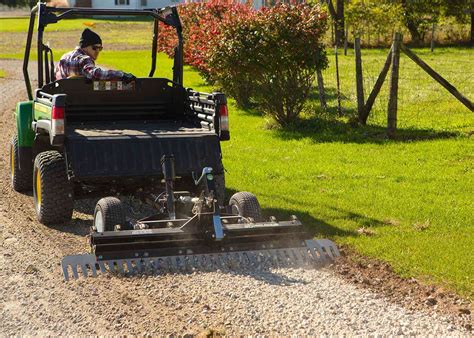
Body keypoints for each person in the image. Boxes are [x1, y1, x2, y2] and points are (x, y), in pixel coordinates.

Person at [55, 28, 136, 82]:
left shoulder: (64, 57)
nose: (97, 51)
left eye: (100, 48)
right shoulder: (84, 59)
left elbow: (57, 76)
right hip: (81, 100)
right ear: (85, 46)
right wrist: (121, 75)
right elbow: (95, 74)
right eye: (94, 48)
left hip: (64, 99)